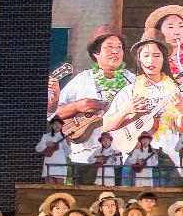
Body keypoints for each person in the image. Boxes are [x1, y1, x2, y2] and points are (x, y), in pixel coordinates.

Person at [101, 28, 183, 179]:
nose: (151, 61)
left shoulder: (175, 91)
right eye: (146, 55)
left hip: (166, 159)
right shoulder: (129, 91)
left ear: (164, 58)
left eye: (156, 55)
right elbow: (106, 125)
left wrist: (182, 111)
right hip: (134, 158)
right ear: (139, 59)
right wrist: (126, 110)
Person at [52, 24, 134, 168]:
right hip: (85, 157)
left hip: (122, 156)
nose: (115, 51)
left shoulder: (133, 80)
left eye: (119, 47)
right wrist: (77, 106)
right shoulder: (82, 79)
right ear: (96, 53)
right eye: (109, 47)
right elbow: (55, 114)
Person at [146, 4, 183, 112]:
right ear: (159, 31)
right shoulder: (150, 60)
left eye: (181, 26)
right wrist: (178, 83)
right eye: (170, 27)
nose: (177, 32)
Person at [36, 117, 70, 184]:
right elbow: (38, 149)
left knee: (60, 188)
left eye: (59, 123)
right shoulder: (46, 136)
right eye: (55, 124)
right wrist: (46, 144)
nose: (57, 125)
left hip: (60, 164)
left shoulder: (64, 137)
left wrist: (68, 144)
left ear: (62, 125)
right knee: (49, 188)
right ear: (51, 125)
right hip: (49, 163)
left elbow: (67, 153)